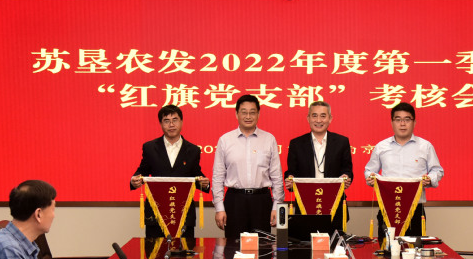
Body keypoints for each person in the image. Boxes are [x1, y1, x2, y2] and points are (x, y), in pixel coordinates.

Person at [130, 105, 210, 238]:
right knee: (155, 251)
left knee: (185, 251)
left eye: (175, 120)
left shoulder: (193, 150)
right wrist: (134, 180)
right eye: (166, 121)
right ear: (161, 124)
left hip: (184, 214)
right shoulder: (150, 147)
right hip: (156, 214)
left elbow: (195, 175)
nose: (171, 125)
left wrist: (204, 183)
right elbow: (142, 171)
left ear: (181, 122)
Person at [364, 102, 443, 237]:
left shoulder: (425, 146)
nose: (402, 124)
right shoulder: (381, 147)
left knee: (415, 248)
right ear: (392, 122)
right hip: (387, 207)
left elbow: (437, 170)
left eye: (407, 119)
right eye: (398, 119)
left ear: (414, 122)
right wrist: (371, 178)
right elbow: (369, 171)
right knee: (386, 248)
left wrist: (430, 179)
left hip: (415, 209)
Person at [213, 94, 284, 242]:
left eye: (252, 112)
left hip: (262, 201)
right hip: (235, 201)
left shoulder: (269, 139)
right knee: (233, 248)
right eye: (244, 112)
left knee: (262, 248)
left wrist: (276, 206)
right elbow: (218, 177)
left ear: (258, 114)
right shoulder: (225, 140)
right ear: (236, 114)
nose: (248, 116)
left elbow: (276, 176)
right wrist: (219, 208)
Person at [284, 100, 354, 233]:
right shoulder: (296, 143)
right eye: (314, 116)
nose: (318, 120)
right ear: (308, 118)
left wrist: (346, 176)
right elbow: (291, 171)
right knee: (305, 243)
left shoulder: (342, 142)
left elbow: (347, 169)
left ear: (330, 118)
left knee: (334, 243)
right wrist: (290, 178)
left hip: (334, 204)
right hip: (305, 205)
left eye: (323, 116)